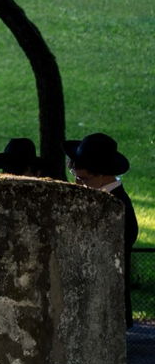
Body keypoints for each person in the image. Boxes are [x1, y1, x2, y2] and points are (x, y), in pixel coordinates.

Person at [66, 132, 138, 327]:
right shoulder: (100, 199)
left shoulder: (118, 207)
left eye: (84, 179)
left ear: (103, 175)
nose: (78, 185)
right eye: (76, 178)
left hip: (106, 305)